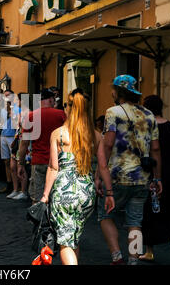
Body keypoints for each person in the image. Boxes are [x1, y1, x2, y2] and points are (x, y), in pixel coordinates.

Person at [40, 88, 115, 265]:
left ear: (68, 108)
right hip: (86, 194)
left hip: (63, 193)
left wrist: (44, 196)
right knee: (73, 237)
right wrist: (110, 193)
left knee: (65, 242)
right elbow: (103, 166)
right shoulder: (96, 135)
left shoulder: (58, 134)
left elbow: (53, 168)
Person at [97, 75, 162, 265]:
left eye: (113, 89)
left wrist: (100, 174)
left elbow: (108, 145)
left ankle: (117, 255)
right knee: (135, 221)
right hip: (142, 177)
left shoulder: (113, 112)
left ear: (118, 92)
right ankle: (133, 260)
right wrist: (158, 179)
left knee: (105, 215)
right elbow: (156, 149)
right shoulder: (149, 115)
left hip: (116, 176)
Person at [139, 95, 170, 263]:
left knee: (145, 214)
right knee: (168, 211)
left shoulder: (147, 127)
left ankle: (146, 251)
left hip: (152, 175)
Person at [17, 88, 66, 204]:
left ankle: (38, 221)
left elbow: (23, 144)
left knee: (37, 198)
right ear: (51, 99)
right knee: (56, 197)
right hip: (57, 162)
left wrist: (21, 164)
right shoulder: (62, 115)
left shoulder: (31, 116)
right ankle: (52, 221)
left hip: (38, 161)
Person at [0, 90, 20, 194]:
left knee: (14, 162)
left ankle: (17, 187)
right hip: (3, 135)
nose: (6, 97)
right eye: (5, 96)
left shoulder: (17, 109)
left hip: (12, 136)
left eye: (8, 95)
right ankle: (9, 184)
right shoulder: (3, 110)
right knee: (6, 161)